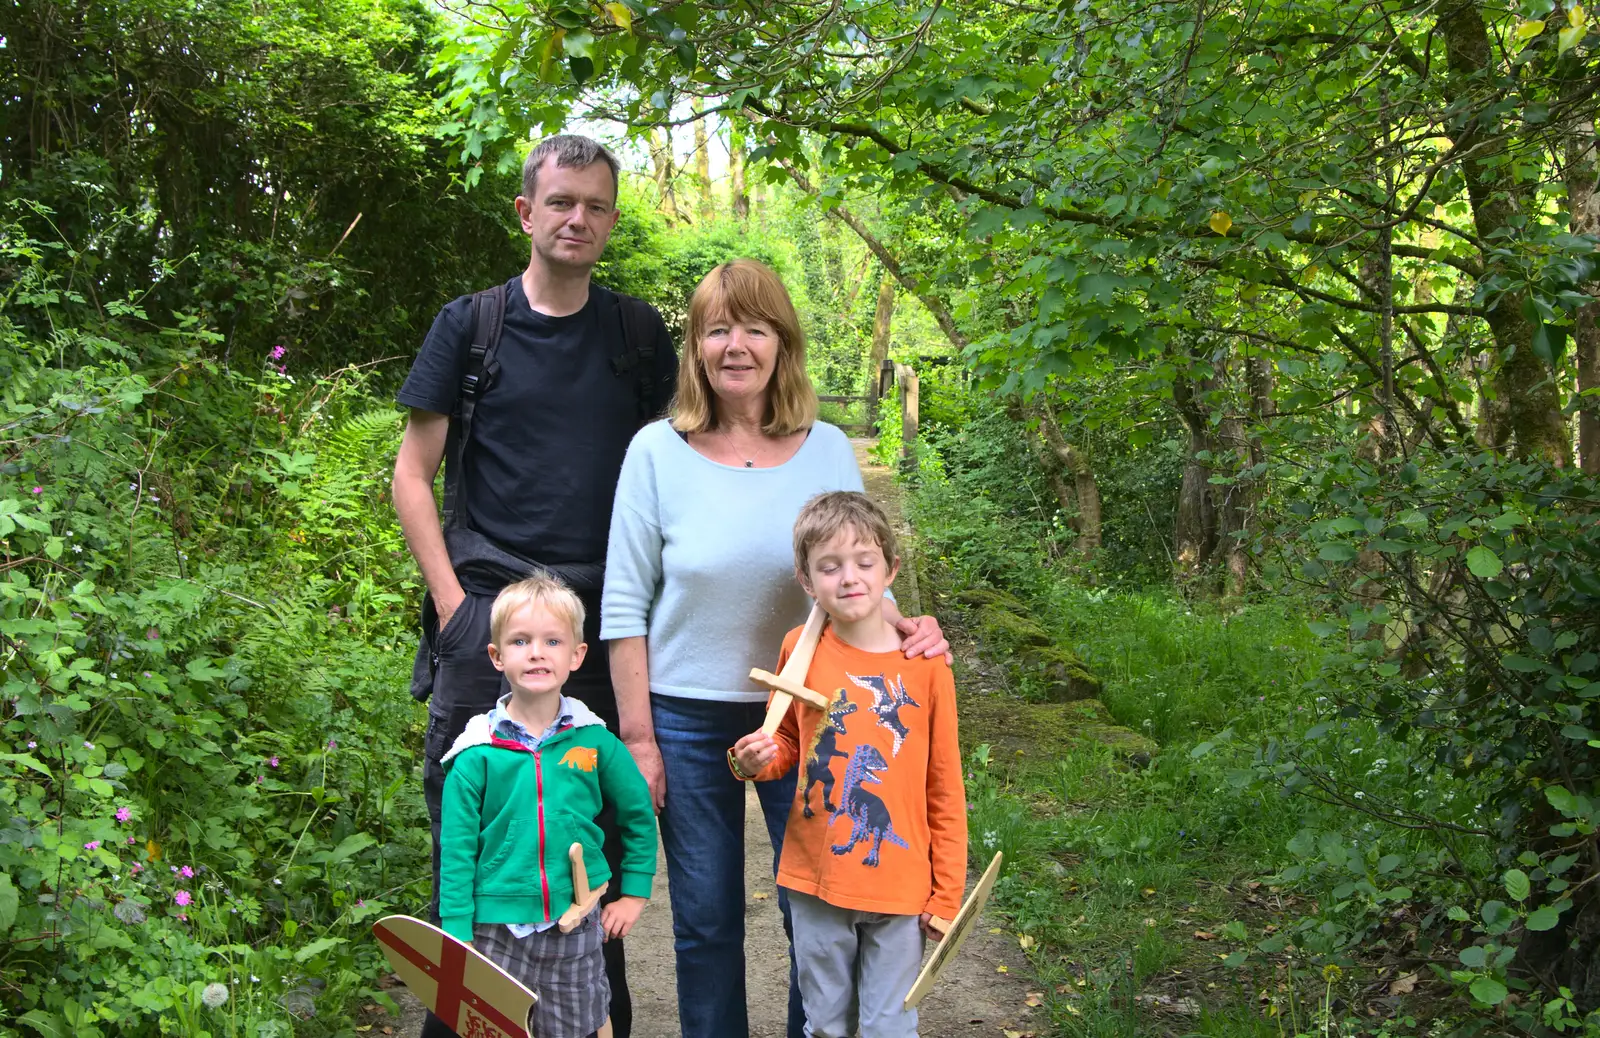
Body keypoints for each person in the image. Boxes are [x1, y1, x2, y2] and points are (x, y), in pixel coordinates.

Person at [600, 258, 949, 1038]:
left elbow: (855, 572)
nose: (735, 344)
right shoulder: (655, 452)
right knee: (706, 922)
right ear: (695, 347)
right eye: (717, 328)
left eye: (753, 327)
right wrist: (640, 740)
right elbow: (623, 606)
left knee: (818, 919)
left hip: (814, 713)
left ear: (781, 343)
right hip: (686, 721)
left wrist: (908, 627)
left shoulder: (826, 446)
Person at [392, 134, 675, 1038]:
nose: (577, 218)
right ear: (527, 211)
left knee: (585, 856)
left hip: (601, 630)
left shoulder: (636, 335)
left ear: (612, 219)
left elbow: (676, 473)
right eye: (561, 202)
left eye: (595, 205)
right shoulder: (471, 326)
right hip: (488, 629)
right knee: (473, 865)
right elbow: (413, 474)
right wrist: (454, 610)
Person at [732, 491, 966, 1038]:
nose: (850, 578)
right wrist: (750, 762)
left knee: (890, 1028)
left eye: (865, 562)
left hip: (899, 884)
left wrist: (948, 890)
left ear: (891, 570)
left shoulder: (927, 667)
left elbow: (944, 784)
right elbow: (785, 742)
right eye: (830, 567)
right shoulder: (801, 647)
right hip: (816, 877)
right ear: (807, 581)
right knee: (826, 1023)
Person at [439, 573, 657, 1038]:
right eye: (520, 641)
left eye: (552, 640)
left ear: (576, 655)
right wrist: (456, 928)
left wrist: (634, 891)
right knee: (494, 1027)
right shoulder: (476, 752)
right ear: (497, 657)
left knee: (579, 1026)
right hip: (492, 926)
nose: (536, 652)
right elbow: (456, 848)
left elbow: (638, 814)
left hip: (574, 922)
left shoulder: (596, 742)